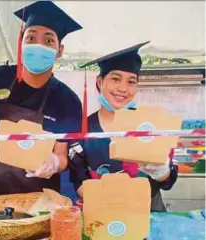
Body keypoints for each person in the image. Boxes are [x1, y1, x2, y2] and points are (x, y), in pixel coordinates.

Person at [0, 1, 83, 196]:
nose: (38, 46)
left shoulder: (67, 101)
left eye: (48, 40)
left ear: (59, 51)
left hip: (42, 200)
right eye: (31, 37)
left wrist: (53, 162)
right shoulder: (1, 78)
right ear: (21, 42)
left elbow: (62, 156)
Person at [68, 42, 178, 212]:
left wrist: (161, 171)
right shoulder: (82, 131)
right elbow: (79, 183)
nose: (123, 88)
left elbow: (168, 182)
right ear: (100, 82)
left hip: (150, 212)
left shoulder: (150, 124)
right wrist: (114, 202)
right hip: (104, 211)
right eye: (115, 79)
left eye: (131, 81)